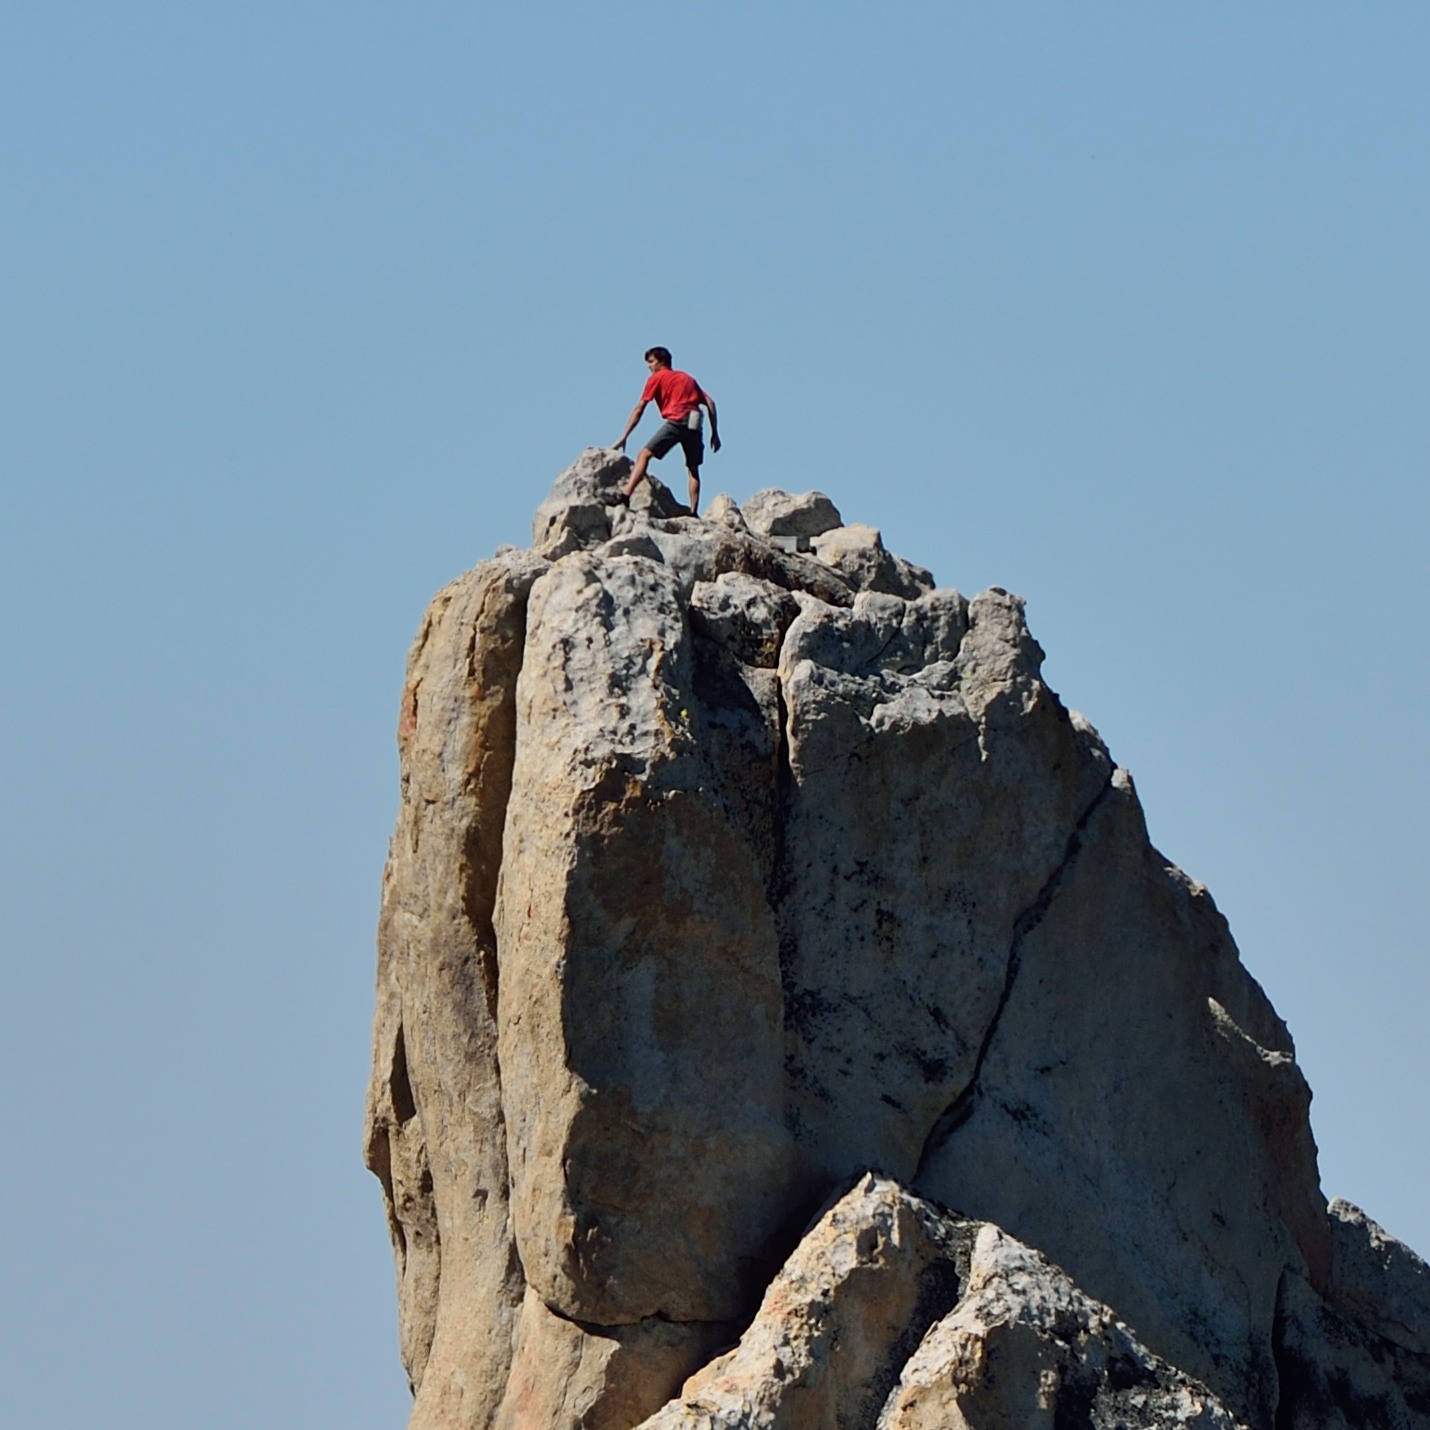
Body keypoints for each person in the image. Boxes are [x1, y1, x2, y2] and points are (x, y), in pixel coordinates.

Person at [613, 347, 720, 516]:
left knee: (644, 455)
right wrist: (715, 433)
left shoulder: (656, 378)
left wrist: (624, 436)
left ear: (661, 362)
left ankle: (625, 495)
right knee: (693, 469)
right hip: (695, 422)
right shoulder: (687, 378)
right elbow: (710, 403)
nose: (649, 366)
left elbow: (640, 408)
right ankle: (693, 512)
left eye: (651, 362)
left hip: (677, 420)